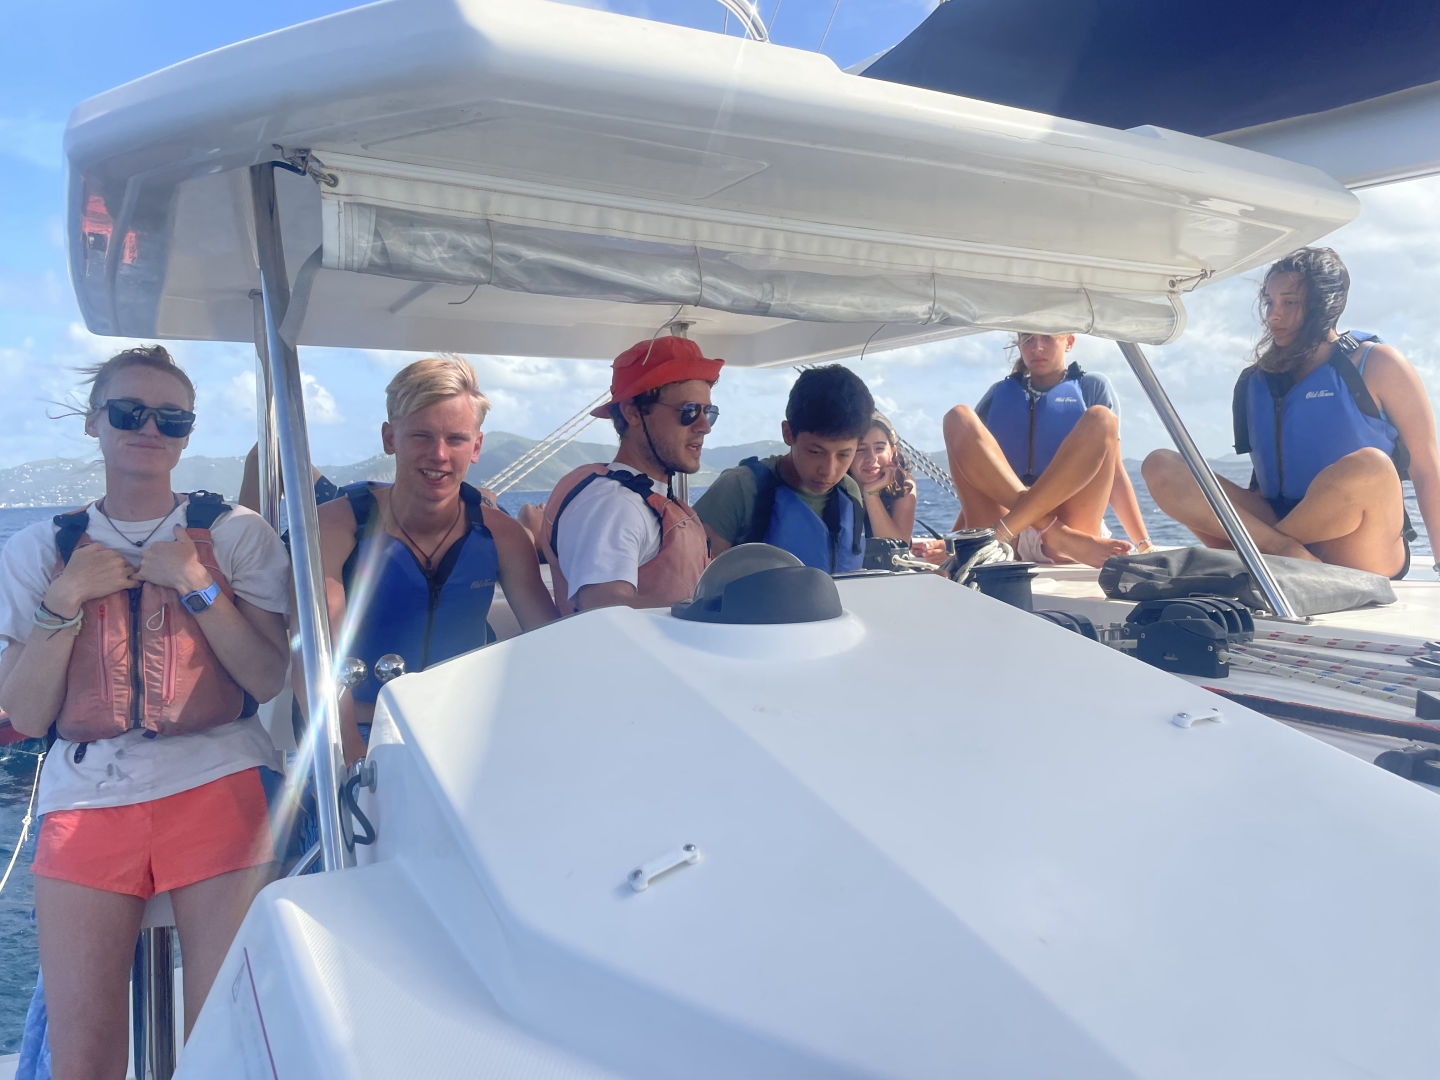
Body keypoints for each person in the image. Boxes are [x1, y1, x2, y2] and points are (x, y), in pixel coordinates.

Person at [0, 345, 292, 1077]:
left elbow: (265, 675)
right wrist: (65, 598)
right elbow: (26, 714)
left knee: (224, 1045)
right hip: (86, 799)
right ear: (94, 422)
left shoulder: (236, 535)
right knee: (84, 1060)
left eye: (172, 418)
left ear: (188, 433)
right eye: (130, 412)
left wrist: (197, 585)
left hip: (220, 781)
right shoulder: (40, 551)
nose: (150, 429)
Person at [313, 356, 556, 764]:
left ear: (476, 447)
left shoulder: (503, 536)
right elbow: (315, 656)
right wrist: (351, 755)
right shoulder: (336, 528)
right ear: (390, 438)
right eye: (421, 436)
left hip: (467, 730)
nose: (439, 454)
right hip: (360, 732)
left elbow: (551, 643)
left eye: (456, 439)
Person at [1143, 247, 1440, 578]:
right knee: (1160, 465)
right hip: (1280, 534)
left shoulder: (1379, 364)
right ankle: (1277, 551)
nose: (1273, 316)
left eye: (1289, 303)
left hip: (1359, 543)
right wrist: (1276, 540)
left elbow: (1427, 469)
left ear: (1323, 305)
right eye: (1269, 302)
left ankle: (1258, 557)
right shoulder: (1256, 380)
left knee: (1372, 467)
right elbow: (1260, 484)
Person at [538, 336, 722, 613]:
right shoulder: (613, 506)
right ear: (633, 413)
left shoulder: (636, 499)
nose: (705, 426)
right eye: (689, 411)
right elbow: (605, 615)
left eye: (709, 412)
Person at [941, 332, 1149, 567]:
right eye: (1028, 339)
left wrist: (1144, 543)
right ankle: (1055, 534)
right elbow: (977, 471)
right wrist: (952, 541)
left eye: (1048, 338)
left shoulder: (1092, 386)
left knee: (1102, 418)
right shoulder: (998, 393)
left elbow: (1115, 474)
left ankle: (1049, 533)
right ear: (1019, 344)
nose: (1037, 347)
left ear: (1069, 342)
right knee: (958, 417)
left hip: (1067, 522)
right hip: (1009, 530)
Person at [696, 365, 872, 572]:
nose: (829, 471)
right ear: (788, 434)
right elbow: (696, 578)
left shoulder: (849, 491)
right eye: (815, 452)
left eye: (844, 455)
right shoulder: (738, 489)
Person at [850, 412, 917, 541]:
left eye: (879, 448)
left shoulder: (903, 484)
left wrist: (871, 494)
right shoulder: (833, 486)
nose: (871, 458)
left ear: (892, 452)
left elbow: (896, 545)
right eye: (860, 449)